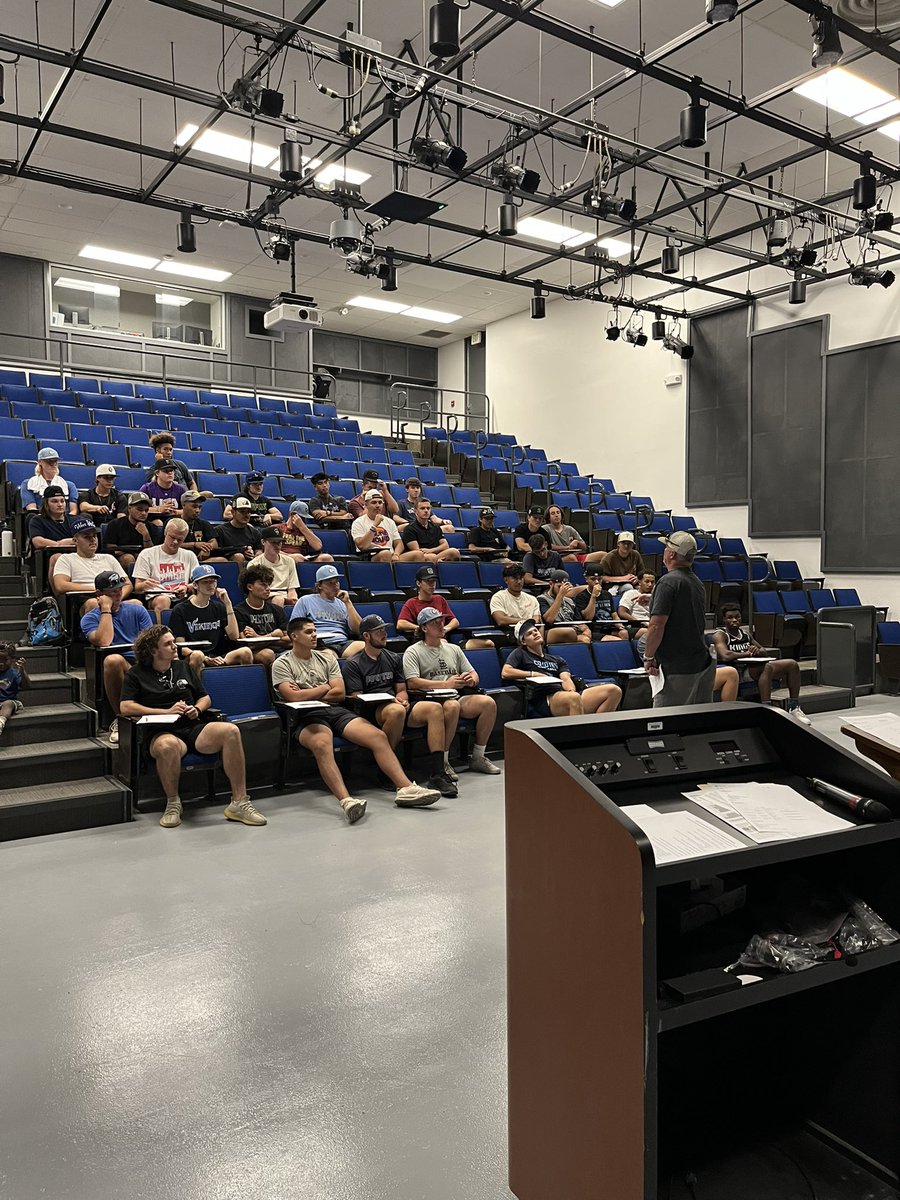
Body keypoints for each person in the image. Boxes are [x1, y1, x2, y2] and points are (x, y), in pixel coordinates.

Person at [272, 616, 441, 822]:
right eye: (308, 632)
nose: (314, 635)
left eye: (315, 631)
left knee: (378, 737)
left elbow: (339, 693)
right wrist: (325, 687)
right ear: (294, 636)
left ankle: (406, 788)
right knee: (322, 744)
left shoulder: (327, 658)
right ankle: (347, 801)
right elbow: (294, 698)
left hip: (335, 710)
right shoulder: (282, 663)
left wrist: (309, 690)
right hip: (305, 716)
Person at [120, 625, 266, 829]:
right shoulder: (136, 673)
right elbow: (126, 706)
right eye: (168, 644)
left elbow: (205, 698)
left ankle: (239, 802)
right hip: (160, 731)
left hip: (192, 726)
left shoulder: (183, 667)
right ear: (153, 650)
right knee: (167, 745)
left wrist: (196, 709)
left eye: (174, 642)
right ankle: (173, 803)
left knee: (230, 731)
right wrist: (165, 712)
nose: (175, 646)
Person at [342, 614, 461, 798]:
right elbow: (357, 697)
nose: (384, 634)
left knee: (434, 708)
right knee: (395, 711)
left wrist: (402, 698)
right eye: (379, 631)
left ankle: (438, 773)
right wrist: (392, 701)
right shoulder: (353, 663)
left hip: (396, 704)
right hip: (370, 710)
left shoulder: (393, 658)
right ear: (366, 636)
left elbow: (401, 689)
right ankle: (386, 771)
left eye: (384, 629)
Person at [402, 608, 501, 776]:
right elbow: (412, 682)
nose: (441, 625)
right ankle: (443, 761)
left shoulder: (453, 649)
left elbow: (474, 674)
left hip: (455, 695)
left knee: (488, 703)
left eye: (442, 621)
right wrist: (445, 684)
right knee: (452, 706)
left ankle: (478, 756)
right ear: (424, 628)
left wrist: (470, 680)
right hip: (429, 699)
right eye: (435, 622)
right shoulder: (413, 651)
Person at [80, 568, 155, 744]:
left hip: (143, 660)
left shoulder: (137, 610)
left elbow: (152, 641)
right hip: (121, 666)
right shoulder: (89, 619)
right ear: (99, 594)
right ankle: (121, 719)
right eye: (112, 591)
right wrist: (106, 609)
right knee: (112, 660)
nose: (118, 594)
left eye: (120, 589)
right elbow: (104, 641)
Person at [642, 531, 716, 707]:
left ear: (671, 554)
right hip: (701, 662)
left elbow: (656, 626)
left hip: (677, 668)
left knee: (667, 719)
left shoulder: (667, 582)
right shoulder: (696, 582)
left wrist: (648, 656)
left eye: (666, 547)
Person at [713, 602, 811, 724]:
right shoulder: (720, 635)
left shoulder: (745, 634)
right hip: (737, 672)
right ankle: (766, 709)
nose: (734, 620)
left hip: (754, 667)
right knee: (767, 667)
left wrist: (757, 651)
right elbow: (725, 655)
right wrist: (747, 653)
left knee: (792, 664)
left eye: (737, 617)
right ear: (724, 619)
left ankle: (794, 707)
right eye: (730, 617)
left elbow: (763, 651)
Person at [502, 620, 621, 717]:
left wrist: (570, 691)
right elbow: (506, 672)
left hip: (565, 695)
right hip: (545, 698)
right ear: (523, 642)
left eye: (535, 630)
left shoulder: (556, 659)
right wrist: (534, 674)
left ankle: (597, 730)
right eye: (529, 634)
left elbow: (566, 678)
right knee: (573, 698)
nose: (535, 633)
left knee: (614, 691)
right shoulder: (520, 653)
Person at [167, 564, 254, 672]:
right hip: (194, 655)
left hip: (218, 655)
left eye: (213, 581)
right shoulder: (180, 610)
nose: (211, 585)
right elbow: (181, 646)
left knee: (245, 652)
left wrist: (228, 604)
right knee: (197, 656)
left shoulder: (219, 607)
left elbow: (234, 636)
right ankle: (196, 683)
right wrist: (205, 658)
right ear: (195, 585)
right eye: (206, 582)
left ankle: (245, 682)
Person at [395, 565, 492, 649]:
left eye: (434, 581)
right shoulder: (411, 603)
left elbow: (455, 621)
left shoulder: (439, 599)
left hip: (444, 642)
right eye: (428, 581)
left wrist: (445, 629)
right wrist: (423, 629)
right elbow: (400, 623)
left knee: (488, 643)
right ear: (418, 583)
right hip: (426, 643)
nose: (432, 585)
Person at [51, 515, 131, 610]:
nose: (93, 539)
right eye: (87, 537)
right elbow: (60, 585)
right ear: (75, 541)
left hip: (113, 597)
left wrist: (117, 599)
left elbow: (128, 584)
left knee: (136, 603)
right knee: (93, 604)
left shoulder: (108, 558)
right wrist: (96, 589)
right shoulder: (66, 559)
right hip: (84, 600)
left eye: (94, 536)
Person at [290, 563, 364, 658]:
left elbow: (358, 629)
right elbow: (295, 628)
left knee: (366, 648)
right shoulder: (305, 601)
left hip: (342, 642)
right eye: (330, 583)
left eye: (336, 582)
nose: (335, 586)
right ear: (319, 585)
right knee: (330, 656)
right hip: (320, 643)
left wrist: (348, 603)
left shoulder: (343, 603)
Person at [132, 518, 199, 614]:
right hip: (157, 597)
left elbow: (198, 583)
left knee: (196, 599)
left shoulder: (189, 555)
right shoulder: (147, 554)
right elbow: (137, 587)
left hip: (182, 597)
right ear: (165, 533)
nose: (175, 542)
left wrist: (187, 587)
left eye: (180, 539)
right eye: (172, 537)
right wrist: (144, 585)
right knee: (163, 600)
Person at [234, 564, 290, 666]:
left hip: (281, 651)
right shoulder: (239, 611)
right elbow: (248, 644)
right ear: (250, 587)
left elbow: (290, 640)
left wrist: (258, 637)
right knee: (267, 654)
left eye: (268, 585)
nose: (268, 588)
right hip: (258, 653)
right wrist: (275, 635)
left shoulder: (276, 609)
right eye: (263, 584)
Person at [351, 490, 421, 563]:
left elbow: (399, 543)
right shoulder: (358, 522)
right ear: (366, 505)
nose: (377, 505)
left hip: (391, 555)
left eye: (380, 502)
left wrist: (396, 554)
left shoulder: (389, 521)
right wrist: (374, 526)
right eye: (374, 502)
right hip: (370, 557)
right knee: (385, 554)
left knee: (418, 554)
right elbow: (362, 546)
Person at [27, 487, 78, 581]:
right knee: (57, 558)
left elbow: (83, 539)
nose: (60, 504)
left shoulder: (75, 520)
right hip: (47, 558)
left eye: (62, 501)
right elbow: (38, 542)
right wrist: (59, 544)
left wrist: (69, 541)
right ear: (46, 503)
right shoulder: (37, 520)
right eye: (54, 501)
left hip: (74, 555)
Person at [103, 492, 162, 571]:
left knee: (143, 559)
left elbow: (152, 553)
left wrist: (146, 535)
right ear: (129, 509)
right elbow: (110, 547)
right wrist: (130, 552)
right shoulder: (115, 524)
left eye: (146, 510)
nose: (143, 513)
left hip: (143, 558)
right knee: (128, 558)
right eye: (139, 509)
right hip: (120, 559)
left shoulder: (152, 527)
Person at [573, 566, 630, 642]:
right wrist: (593, 596)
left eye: (599, 579)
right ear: (586, 579)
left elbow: (614, 614)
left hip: (609, 627)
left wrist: (619, 624)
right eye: (593, 579)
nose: (597, 582)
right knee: (617, 640)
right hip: (595, 629)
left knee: (624, 633)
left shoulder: (607, 594)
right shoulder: (581, 596)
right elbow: (588, 617)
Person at [246, 528, 299, 607]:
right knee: (278, 600)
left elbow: (292, 589)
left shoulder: (289, 561)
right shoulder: (254, 564)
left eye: (279, 542)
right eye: (273, 542)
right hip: (265, 597)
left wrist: (293, 600)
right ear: (263, 542)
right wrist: (278, 598)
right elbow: (255, 591)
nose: (277, 546)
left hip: (285, 596)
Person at [400, 497, 460, 562]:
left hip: (433, 553)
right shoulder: (409, 529)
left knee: (454, 552)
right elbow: (417, 551)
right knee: (431, 557)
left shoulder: (436, 527)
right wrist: (433, 555)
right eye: (422, 508)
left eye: (428, 508)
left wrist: (431, 550)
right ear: (415, 511)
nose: (426, 511)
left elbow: (445, 545)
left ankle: (438, 561)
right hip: (421, 557)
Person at [489, 563, 541, 639]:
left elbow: (536, 619)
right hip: (511, 633)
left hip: (531, 633)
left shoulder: (532, 599)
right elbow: (500, 620)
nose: (519, 582)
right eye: (515, 578)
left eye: (521, 578)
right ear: (506, 580)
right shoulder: (498, 597)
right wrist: (526, 621)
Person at [20, 447, 78, 514]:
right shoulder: (28, 484)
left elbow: (73, 511)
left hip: (64, 518)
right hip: (39, 517)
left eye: (55, 461)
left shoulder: (69, 485)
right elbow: (32, 509)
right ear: (40, 462)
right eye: (49, 461)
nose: (53, 464)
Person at [537, 576, 593, 645]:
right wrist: (560, 595)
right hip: (551, 630)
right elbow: (549, 619)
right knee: (570, 632)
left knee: (585, 639)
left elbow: (579, 622)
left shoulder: (569, 601)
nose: (562, 589)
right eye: (559, 586)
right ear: (551, 584)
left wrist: (586, 629)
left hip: (572, 629)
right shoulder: (542, 599)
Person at [210, 497, 263, 564]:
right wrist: (241, 550)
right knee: (238, 556)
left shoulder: (254, 532)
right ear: (233, 512)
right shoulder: (220, 530)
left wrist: (255, 555)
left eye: (248, 512)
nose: (246, 515)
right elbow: (217, 552)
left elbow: (259, 550)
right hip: (229, 564)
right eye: (242, 512)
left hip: (250, 564)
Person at [617, 571, 656, 649]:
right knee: (654, 633)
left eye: (652, 582)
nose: (650, 585)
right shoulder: (631, 593)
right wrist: (640, 622)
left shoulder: (656, 596)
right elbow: (622, 612)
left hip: (652, 625)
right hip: (635, 626)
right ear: (639, 582)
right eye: (647, 581)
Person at [0, 642, 30, 740]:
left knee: (8, 704)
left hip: (10, 701)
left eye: (5, 660)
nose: (1, 663)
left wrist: (22, 671)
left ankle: (1, 722)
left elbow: (26, 686)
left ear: (13, 660)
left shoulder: (14, 673)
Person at [143, 459, 185, 525]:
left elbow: (187, 510)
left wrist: (175, 512)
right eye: (166, 471)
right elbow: (138, 509)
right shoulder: (147, 488)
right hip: (152, 521)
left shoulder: (180, 489)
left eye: (171, 470)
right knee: (158, 523)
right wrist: (159, 509)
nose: (170, 473)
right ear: (157, 473)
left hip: (173, 521)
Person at [180, 491, 217, 562]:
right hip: (178, 560)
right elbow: (168, 544)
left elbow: (214, 543)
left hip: (199, 560)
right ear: (183, 505)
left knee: (221, 560)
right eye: (194, 507)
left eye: (199, 507)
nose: (197, 510)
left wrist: (207, 549)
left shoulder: (204, 523)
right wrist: (194, 544)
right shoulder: (173, 522)